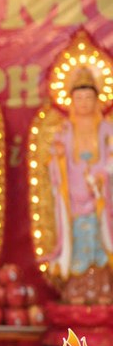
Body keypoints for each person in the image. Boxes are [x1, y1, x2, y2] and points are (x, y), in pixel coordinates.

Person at [47, 67, 113, 305]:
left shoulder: (107, 129)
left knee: (101, 238)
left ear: (97, 100)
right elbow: (55, 163)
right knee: (78, 238)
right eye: (79, 98)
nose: (84, 103)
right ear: (72, 101)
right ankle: (77, 286)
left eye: (88, 98)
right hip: (75, 196)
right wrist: (57, 158)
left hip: (102, 194)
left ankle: (104, 286)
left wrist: (102, 176)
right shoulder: (65, 130)